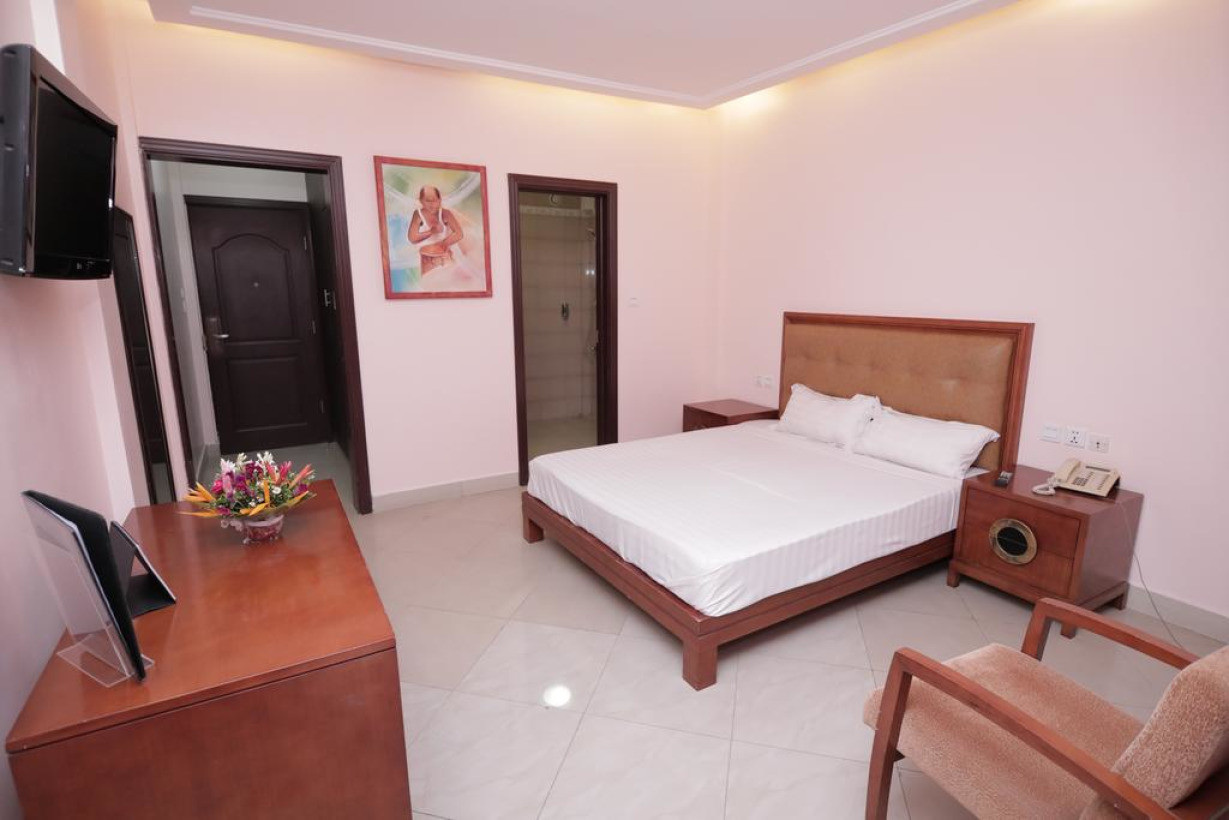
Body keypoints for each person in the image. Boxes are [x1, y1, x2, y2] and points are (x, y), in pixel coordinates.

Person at [407, 185, 464, 276]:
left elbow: (459, 234)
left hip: (444, 256)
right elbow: (412, 238)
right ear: (421, 201)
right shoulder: (418, 214)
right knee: (429, 281)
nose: (432, 204)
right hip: (426, 258)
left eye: (434, 200)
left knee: (448, 278)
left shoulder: (445, 213)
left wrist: (442, 244)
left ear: (439, 200)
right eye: (427, 201)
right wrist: (430, 232)